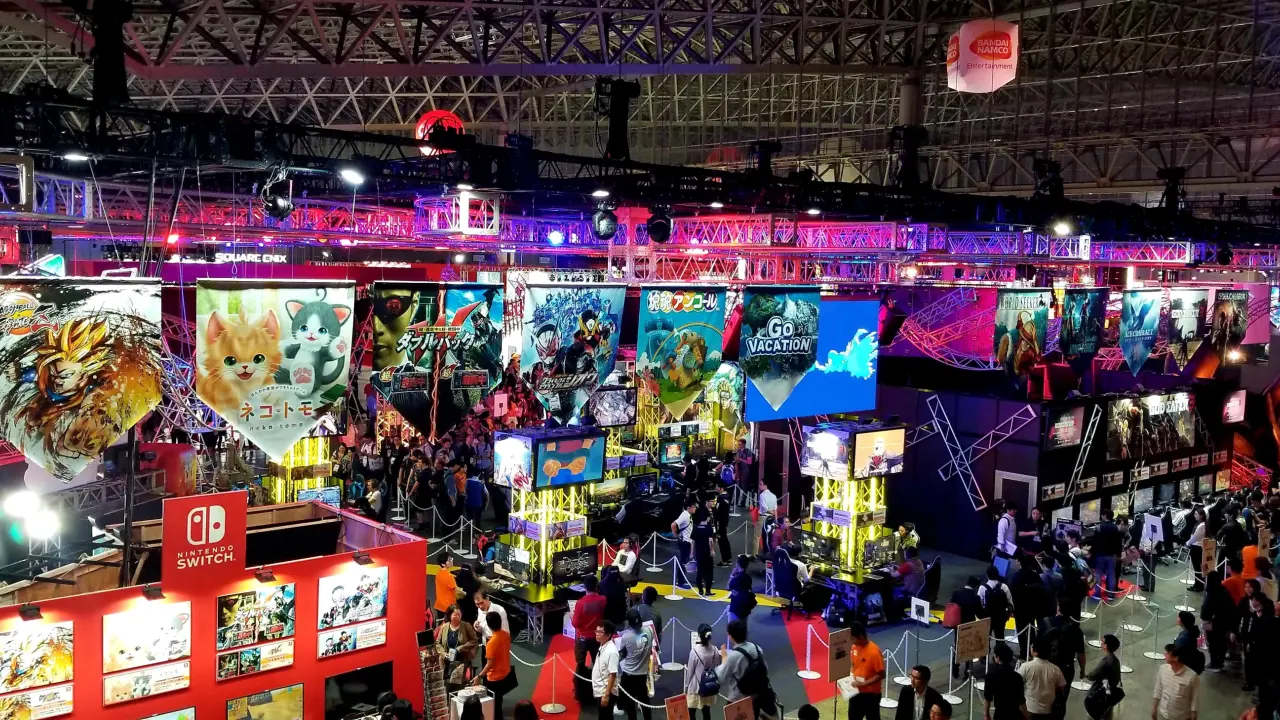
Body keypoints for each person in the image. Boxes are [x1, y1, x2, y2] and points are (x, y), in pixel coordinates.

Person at [716, 619, 778, 720]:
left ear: (730, 636)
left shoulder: (733, 656)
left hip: (738, 699)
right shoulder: (757, 648)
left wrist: (724, 658)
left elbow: (720, 677)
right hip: (757, 696)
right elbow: (765, 669)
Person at [1038, 597, 1086, 720]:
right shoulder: (1076, 630)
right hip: (1065, 669)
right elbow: (1081, 654)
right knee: (1061, 698)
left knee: (1043, 696)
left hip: (1045, 666)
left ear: (1058, 607)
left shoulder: (1045, 623)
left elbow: (1036, 647)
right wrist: (1083, 670)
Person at [472, 611, 517, 718]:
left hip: (494, 679)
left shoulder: (491, 643)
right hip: (505, 674)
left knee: (495, 707)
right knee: (499, 703)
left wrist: (479, 676)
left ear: (488, 625)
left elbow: (489, 664)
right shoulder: (506, 635)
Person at [573, 576, 608, 701]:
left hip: (582, 638)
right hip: (597, 637)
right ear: (596, 586)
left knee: (580, 665)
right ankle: (598, 691)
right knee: (597, 665)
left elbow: (575, 623)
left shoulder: (580, 603)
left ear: (584, 587)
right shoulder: (603, 600)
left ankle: (578, 694)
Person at [618, 609, 654, 720]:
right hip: (643, 673)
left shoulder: (626, 637)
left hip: (629, 674)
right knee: (644, 701)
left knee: (630, 702)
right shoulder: (649, 630)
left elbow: (622, 654)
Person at [1011, 555, 1047, 660]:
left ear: (1020, 562)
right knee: (1031, 629)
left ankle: (1023, 652)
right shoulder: (1035, 574)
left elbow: (1013, 593)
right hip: (1033, 607)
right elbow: (1042, 588)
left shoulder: (1017, 576)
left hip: (1020, 609)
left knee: (1021, 632)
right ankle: (1033, 650)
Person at [847, 621, 885, 720]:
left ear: (861, 636)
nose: (851, 641)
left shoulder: (874, 652)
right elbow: (854, 664)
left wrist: (864, 684)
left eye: (853, 638)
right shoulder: (854, 647)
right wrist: (851, 676)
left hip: (871, 695)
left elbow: (881, 674)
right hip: (856, 692)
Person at [1019, 640, 1066, 720]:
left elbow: (1017, 684)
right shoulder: (1055, 669)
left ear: (1034, 652)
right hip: (1048, 710)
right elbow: (1062, 687)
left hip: (1029, 709)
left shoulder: (1025, 667)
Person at [1152, 643, 1199, 720]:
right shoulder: (1163, 669)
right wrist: (1154, 708)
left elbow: (1195, 698)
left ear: (1176, 658)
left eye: (1167, 653)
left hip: (1181, 717)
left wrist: (1194, 714)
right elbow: (1158, 689)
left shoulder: (1192, 676)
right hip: (1163, 713)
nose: (1164, 654)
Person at [435, 604, 479, 688]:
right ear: (449, 615)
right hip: (446, 661)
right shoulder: (444, 627)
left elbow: (474, 640)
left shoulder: (466, 626)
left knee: (458, 685)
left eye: (459, 614)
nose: (458, 616)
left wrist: (460, 648)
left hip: (461, 661)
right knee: (446, 685)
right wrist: (444, 654)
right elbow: (438, 643)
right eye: (455, 614)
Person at [948, 575, 983, 679]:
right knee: (970, 649)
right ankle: (967, 671)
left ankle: (955, 669)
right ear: (976, 586)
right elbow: (980, 614)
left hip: (958, 624)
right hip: (970, 626)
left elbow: (951, 606)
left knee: (957, 646)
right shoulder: (976, 598)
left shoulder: (956, 593)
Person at [684, 623, 721, 720]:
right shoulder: (715, 650)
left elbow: (690, 672)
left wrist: (686, 687)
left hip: (695, 687)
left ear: (699, 635)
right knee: (706, 711)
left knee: (691, 713)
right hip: (708, 686)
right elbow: (717, 666)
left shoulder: (694, 651)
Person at [982, 642, 1028, 720]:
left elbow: (987, 698)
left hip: (1000, 713)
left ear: (998, 658)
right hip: (1015, 713)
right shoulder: (1017, 677)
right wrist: (1026, 715)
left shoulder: (991, 675)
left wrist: (987, 715)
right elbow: (1021, 701)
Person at [1200, 570, 1235, 671]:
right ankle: (1220, 661)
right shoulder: (1224, 591)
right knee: (1221, 642)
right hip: (1224, 622)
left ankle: (1215, 663)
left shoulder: (1211, 593)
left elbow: (1206, 610)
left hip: (1213, 623)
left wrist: (1205, 619)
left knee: (1213, 643)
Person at [1084, 635, 1123, 720]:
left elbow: (1093, 675)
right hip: (1110, 693)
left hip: (1101, 693)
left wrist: (1087, 675)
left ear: (1106, 646)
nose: (1101, 642)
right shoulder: (1115, 660)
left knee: (1092, 715)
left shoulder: (1106, 661)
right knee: (1107, 715)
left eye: (1103, 641)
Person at [1091, 508, 1123, 600]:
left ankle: (1097, 594)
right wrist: (1118, 555)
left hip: (1100, 555)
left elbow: (1094, 542)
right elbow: (1119, 543)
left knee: (1098, 574)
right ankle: (1111, 595)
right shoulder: (1116, 528)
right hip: (1112, 555)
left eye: (1102, 515)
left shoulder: (1099, 527)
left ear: (1105, 516)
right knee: (1111, 574)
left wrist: (1092, 554)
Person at [591, 620, 621, 720]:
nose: (597, 634)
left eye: (600, 632)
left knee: (606, 717)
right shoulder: (603, 645)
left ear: (608, 635)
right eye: (596, 631)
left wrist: (606, 696)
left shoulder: (611, 652)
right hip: (600, 689)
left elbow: (613, 675)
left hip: (605, 692)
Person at [978, 564, 1014, 641]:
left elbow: (979, 604)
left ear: (987, 575)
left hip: (987, 617)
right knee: (1000, 637)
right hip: (1001, 617)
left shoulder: (982, 588)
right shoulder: (1004, 586)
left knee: (986, 639)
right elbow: (1010, 602)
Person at [728, 555, 756, 623]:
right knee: (743, 625)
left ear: (737, 565)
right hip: (745, 607)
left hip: (736, 607)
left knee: (733, 627)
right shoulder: (748, 577)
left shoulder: (736, 579)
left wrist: (732, 575)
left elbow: (728, 587)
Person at [434, 552, 462, 621]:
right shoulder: (449, 577)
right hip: (449, 606)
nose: (451, 561)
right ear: (443, 564)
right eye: (449, 560)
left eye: (451, 559)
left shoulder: (439, 573)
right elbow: (457, 591)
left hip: (440, 604)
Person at [692, 514, 716, 595]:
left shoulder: (695, 528)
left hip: (699, 553)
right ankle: (708, 591)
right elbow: (710, 540)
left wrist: (691, 553)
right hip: (707, 553)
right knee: (709, 572)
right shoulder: (709, 528)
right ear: (707, 519)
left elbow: (693, 541)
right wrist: (712, 550)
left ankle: (700, 590)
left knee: (699, 571)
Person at [754, 480, 778, 556]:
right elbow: (775, 508)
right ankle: (769, 552)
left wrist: (771, 512)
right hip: (771, 518)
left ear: (765, 485)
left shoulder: (762, 495)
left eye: (761, 484)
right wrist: (776, 519)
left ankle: (754, 555)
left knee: (756, 536)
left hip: (763, 517)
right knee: (769, 536)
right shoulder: (774, 496)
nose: (759, 485)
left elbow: (764, 508)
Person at [673, 498, 697, 574]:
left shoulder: (688, 515)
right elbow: (673, 525)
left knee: (684, 560)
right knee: (683, 561)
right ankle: (681, 579)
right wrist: (676, 535)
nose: (695, 508)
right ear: (689, 508)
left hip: (687, 541)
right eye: (694, 507)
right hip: (685, 542)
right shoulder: (685, 515)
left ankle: (682, 578)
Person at [1187, 507, 1207, 592]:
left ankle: (1198, 585)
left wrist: (1188, 543)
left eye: (1196, 514)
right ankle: (1198, 584)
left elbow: (1195, 537)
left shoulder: (1200, 526)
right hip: (1200, 547)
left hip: (1196, 547)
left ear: (1201, 515)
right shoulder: (1203, 524)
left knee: (1197, 568)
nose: (1195, 516)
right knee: (1199, 568)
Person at [995, 501, 1020, 567]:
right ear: (1008, 510)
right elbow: (1001, 534)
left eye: (1016, 510)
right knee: (1001, 565)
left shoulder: (1012, 519)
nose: (1015, 511)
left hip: (1010, 547)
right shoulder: (1004, 520)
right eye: (1013, 510)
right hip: (1004, 547)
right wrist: (1002, 546)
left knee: (1007, 564)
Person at [714, 486, 733, 565]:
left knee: (721, 540)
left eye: (717, 487)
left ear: (722, 488)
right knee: (725, 539)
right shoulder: (728, 496)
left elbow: (717, 509)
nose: (716, 488)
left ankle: (724, 561)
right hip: (725, 520)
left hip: (720, 521)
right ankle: (729, 558)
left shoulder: (720, 498)